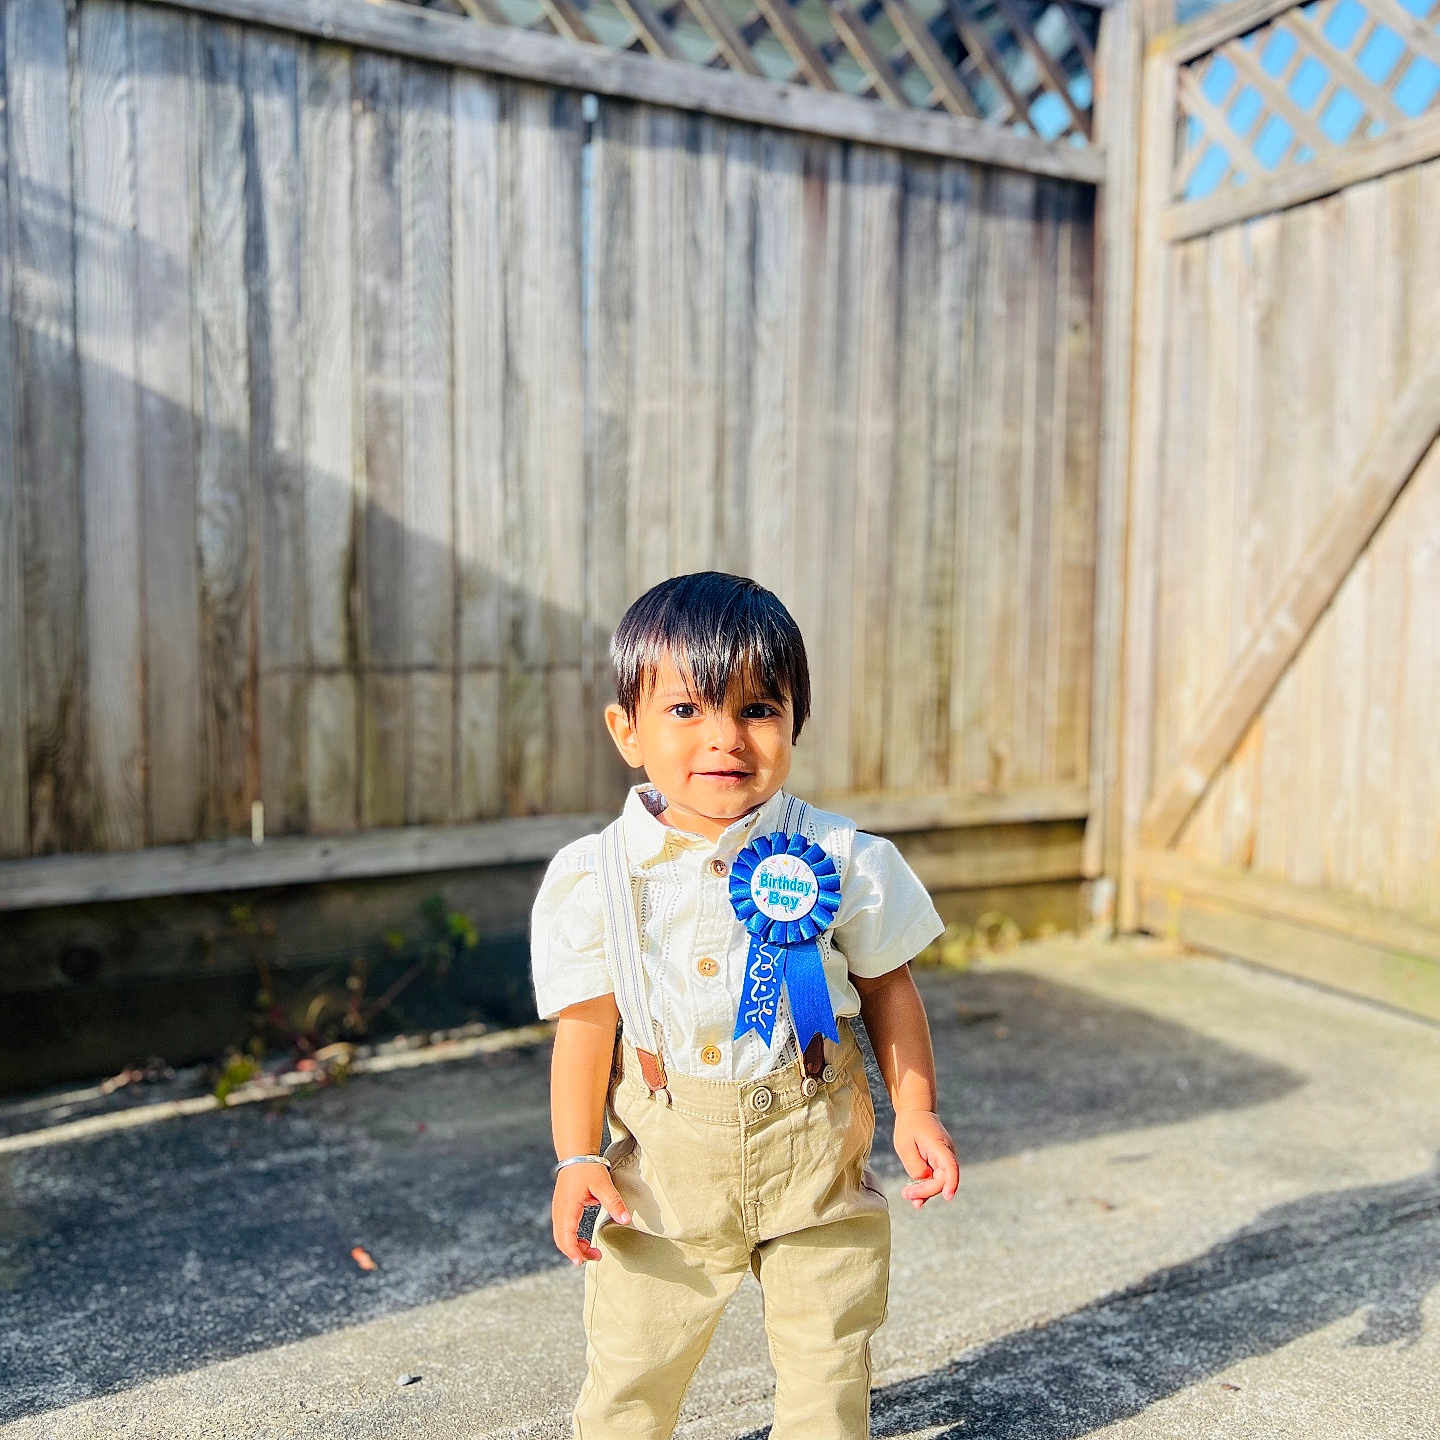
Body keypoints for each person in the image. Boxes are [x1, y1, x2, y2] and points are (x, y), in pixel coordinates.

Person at [530, 570, 960, 1440]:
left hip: (813, 1142)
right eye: (687, 710)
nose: (726, 737)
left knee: (829, 1348)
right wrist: (575, 1158)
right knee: (634, 1359)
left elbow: (887, 988)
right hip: (666, 1158)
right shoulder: (593, 877)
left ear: (795, 722)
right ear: (627, 730)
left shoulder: (842, 858)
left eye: (759, 708)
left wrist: (916, 1108)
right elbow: (586, 1031)